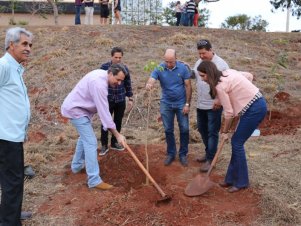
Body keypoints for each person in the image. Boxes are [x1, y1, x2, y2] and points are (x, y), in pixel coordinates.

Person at [197, 61, 267, 193]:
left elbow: (228, 113)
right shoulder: (228, 72)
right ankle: (230, 179)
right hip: (256, 104)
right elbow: (249, 76)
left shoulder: (220, 87)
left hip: (254, 109)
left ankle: (241, 182)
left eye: (203, 76)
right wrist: (243, 94)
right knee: (236, 142)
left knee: (237, 143)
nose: (202, 79)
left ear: (209, 74)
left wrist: (224, 132)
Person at [61, 64, 127, 190]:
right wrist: (117, 135)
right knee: (91, 142)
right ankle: (94, 180)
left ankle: (76, 166)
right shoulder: (99, 84)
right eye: (117, 79)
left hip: (80, 109)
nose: (119, 83)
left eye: (121, 81)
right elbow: (104, 113)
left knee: (84, 138)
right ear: (110, 73)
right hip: (76, 110)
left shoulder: (101, 74)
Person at [0, 27, 33, 225]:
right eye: (24, 44)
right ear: (11, 45)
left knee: (10, 181)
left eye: (30, 45)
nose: (28, 48)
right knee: (13, 182)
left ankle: (9, 214)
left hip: (12, 135)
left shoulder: (15, 68)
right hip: (6, 137)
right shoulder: (4, 66)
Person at [145, 49, 192, 167]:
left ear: (176, 58)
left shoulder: (183, 68)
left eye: (171, 62)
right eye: (167, 61)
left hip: (181, 103)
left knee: (185, 129)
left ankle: (183, 154)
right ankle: (171, 153)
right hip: (166, 103)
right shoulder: (160, 67)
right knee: (168, 129)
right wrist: (149, 83)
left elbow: (188, 86)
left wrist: (187, 104)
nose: (169, 64)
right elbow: (153, 77)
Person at [193, 39, 229, 172]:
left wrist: (219, 100)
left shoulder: (222, 64)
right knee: (202, 130)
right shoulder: (199, 62)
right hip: (200, 104)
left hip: (214, 105)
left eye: (204, 53)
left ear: (211, 50)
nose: (201, 56)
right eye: (199, 54)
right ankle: (209, 153)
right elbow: (196, 75)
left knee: (212, 132)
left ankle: (211, 159)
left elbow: (226, 85)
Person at [99, 47, 133, 156]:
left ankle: (114, 143)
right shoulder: (104, 67)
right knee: (105, 121)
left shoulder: (124, 69)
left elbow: (128, 84)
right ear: (111, 56)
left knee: (117, 121)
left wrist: (130, 98)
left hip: (120, 99)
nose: (118, 59)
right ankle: (104, 145)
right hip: (107, 99)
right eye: (116, 57)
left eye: (120, 57)